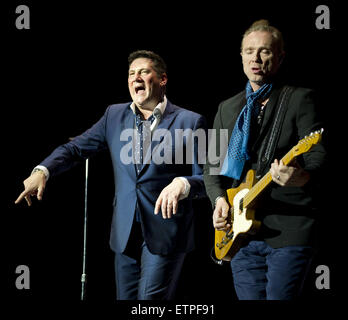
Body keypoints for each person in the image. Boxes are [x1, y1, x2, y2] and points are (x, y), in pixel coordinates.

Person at [15, 50, 207, 300]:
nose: (135, 77)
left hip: (166, 233)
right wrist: (43, 170)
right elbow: (75, 148)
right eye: (131, 74)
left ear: (162, 79)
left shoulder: (191, 121)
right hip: (124, 233)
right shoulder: (113, 116)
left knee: (149, 303)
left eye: (144, 72)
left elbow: (209, 180)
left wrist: (183, 183)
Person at [203, 20, 327, 300]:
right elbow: (211, 167)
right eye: (249, 51)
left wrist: (302, 176)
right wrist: (219, 201)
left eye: (264, 52)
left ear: (280, 57)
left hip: (289, 229)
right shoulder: (228, 107)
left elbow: (318, 157)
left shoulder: (299, 99)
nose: (255, 59)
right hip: (241, 235)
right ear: (241, 56)